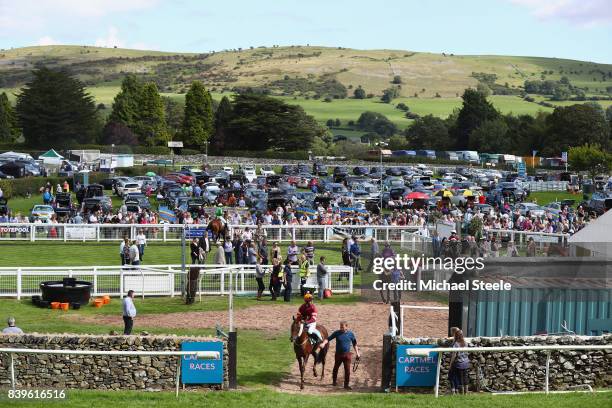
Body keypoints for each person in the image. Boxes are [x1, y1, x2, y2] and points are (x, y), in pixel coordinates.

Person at [319, 321, 360, 390]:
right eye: (340, 327)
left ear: (346, 327)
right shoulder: (337, 333)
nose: (341, 328)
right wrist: (323, 344)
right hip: (338, 354)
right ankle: (334, 382)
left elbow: (354, 344)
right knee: (335, 368)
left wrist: (357, 353)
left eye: (342, 327)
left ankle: (346, 385)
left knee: (347, 370)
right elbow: (328, 339)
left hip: (347, 355)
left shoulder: (351, 334)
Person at [449, 329, 470, 394]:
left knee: (459, 378)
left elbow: (454, 356)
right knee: (465, 378)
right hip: (466, 363)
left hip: (459, 364)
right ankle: (466, 393)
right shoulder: (465, 343)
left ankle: (460, 392)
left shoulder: (456, 344)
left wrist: (450, 364)